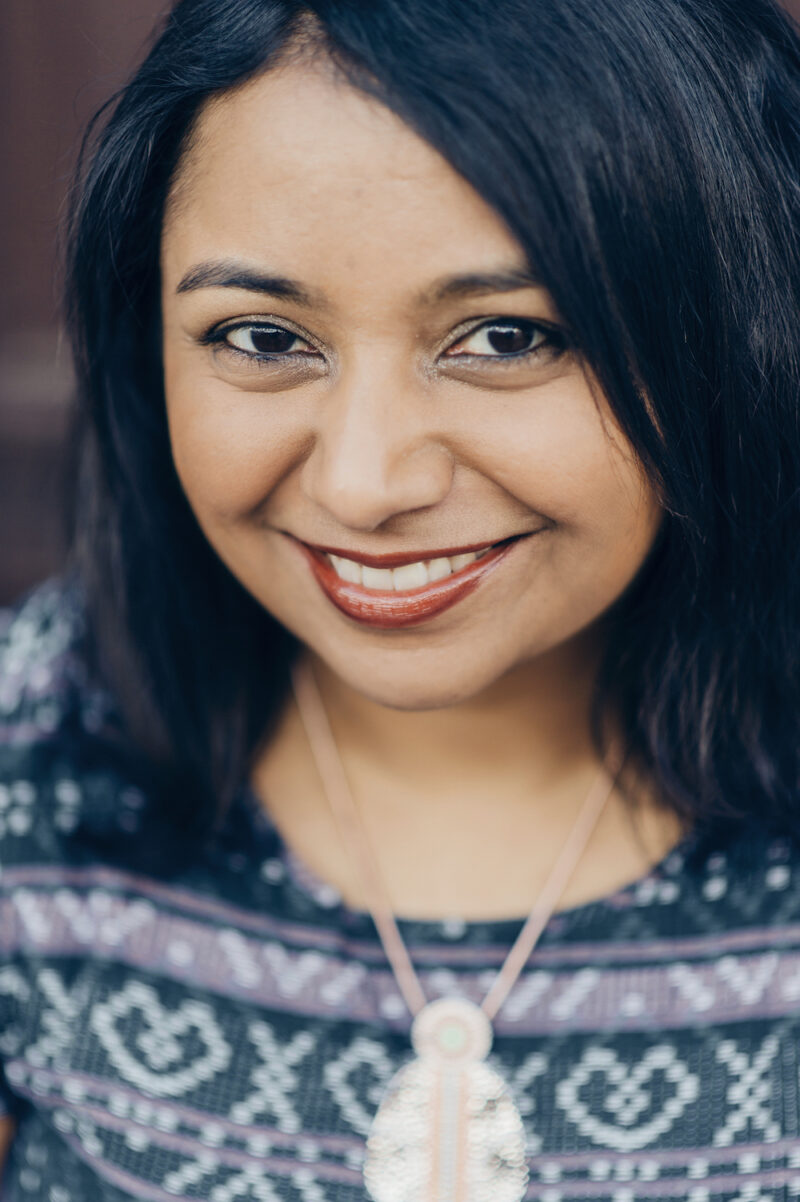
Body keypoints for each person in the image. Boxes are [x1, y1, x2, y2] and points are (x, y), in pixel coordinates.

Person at [1, 0, 799, 1197]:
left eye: (504, 336)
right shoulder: (27, 759)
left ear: (733, 329)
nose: (364, 483)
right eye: (262, 337)